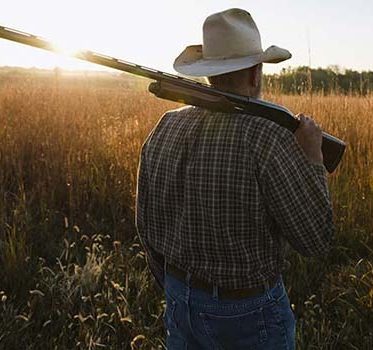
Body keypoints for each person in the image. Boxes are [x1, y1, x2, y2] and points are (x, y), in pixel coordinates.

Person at [135, 8, 334, 350]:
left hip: (180, 300)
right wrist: (313, 159)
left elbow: (146, 225)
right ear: (257, 73)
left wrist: (176, 286)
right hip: (248, 313)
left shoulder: (166, 125)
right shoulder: (269, 136)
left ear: (209, 73)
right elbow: (315, 239)